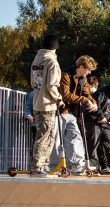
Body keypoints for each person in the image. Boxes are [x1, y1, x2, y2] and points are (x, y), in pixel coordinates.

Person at [29, 34, 63, 176]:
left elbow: (33, 83)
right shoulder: (52, 62)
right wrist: (59, 98)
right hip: (48, 104)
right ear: (55, 48)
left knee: (44, 134)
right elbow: (52, 85)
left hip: (37, 102)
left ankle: (43, 165)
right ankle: (38, 167)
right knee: (45, 136)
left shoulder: (37, 60)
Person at [58, 55, 98, 175]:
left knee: (75, 137)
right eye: (88, 69)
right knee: (57, 141)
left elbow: (87, 94)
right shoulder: (65, 75)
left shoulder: (83, 79)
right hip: (59, 111)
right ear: (81, 67)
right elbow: (66, 95)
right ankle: (53, 166)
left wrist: (94, 103)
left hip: (70, 112)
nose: (89, 72)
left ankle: (77, 165)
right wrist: (85, 101)